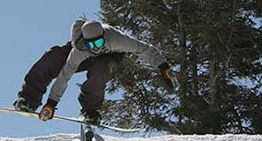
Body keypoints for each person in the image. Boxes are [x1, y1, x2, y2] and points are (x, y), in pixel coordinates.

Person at [14, 19, 179, 125]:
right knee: (53, 57)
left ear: (103, 37)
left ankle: (90, 110)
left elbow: (145, 49)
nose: (97, 47)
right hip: (81, 56)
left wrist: (163, 67)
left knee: (100, 72)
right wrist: (52, 103)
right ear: (85, 41)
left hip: (108, 58)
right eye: (92, 44)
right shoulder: (79, 49)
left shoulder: (116, 39)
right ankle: (28, 99)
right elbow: (65, 76)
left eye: (99, 42)